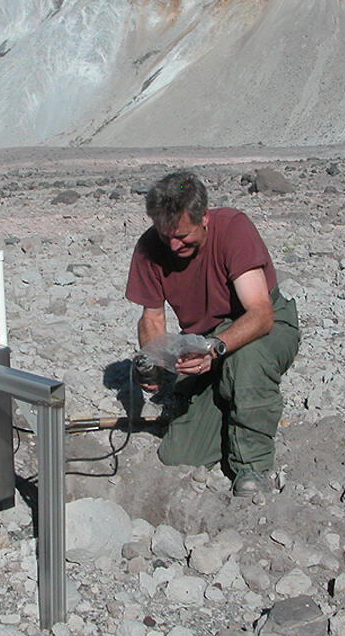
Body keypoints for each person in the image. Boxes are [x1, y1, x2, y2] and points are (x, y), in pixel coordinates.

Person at [125, 171, 300, 496]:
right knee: (177, 455)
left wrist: (215, 348)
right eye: (166, 236)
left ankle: (253, 467)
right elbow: (151, 318)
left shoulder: (233, 228)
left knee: (245, 359)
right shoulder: (150, 248)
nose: (174, 245)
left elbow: (260, 315)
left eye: (182, 236)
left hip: (265, 329)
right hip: (205, 339)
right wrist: (156, 361)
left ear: (204, 216)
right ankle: (239, 404)